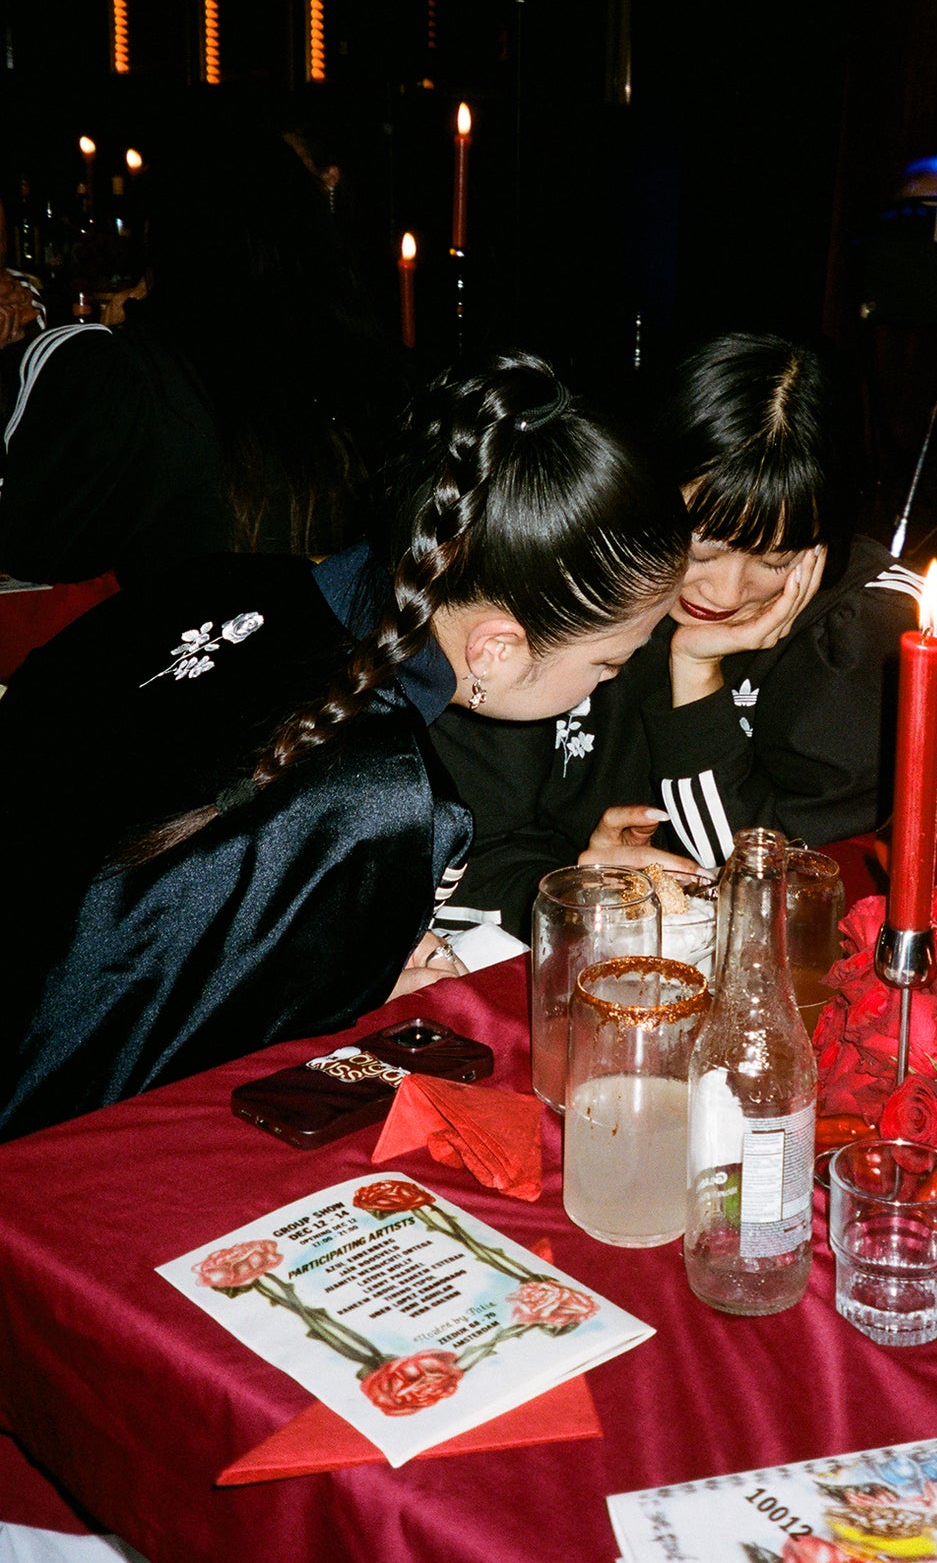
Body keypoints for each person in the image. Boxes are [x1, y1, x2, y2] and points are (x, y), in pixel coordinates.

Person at [0, 355, 688, 1140]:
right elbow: (220, 1079)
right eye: (608, 663)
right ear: (495, 649)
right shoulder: (388, 796)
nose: (605, 685)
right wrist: (367, 1012)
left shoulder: (225, 580)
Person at [430, 332, 922, 931]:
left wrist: (696, 678)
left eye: (775, 560)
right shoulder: (563, 585)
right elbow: (463, 851)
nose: (726, 595)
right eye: (700, 551)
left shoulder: (857, 632)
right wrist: (581, 883)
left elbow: (787, 893)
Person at [0, 99, 404, 588]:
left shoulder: (142, 376)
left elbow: (34, 545)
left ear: (168, 235)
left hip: (206, 632)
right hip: (345, 629)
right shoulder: (368, 363)